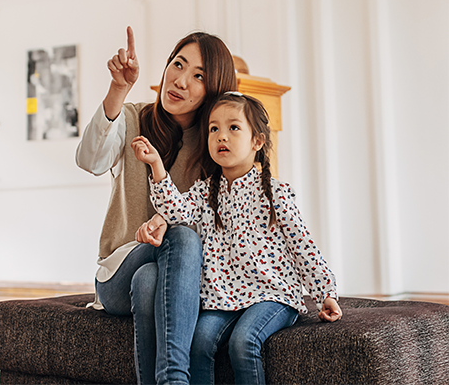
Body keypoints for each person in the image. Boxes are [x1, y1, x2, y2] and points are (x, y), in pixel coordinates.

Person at [132, 92, 342, 385]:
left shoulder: (275, 193)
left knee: (243, 342)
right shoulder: (206, 191)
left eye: (233, 128)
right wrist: (156, 165)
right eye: (214, 129)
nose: (221, 136)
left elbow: (303, 246)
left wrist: (325, 293)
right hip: (222, 297)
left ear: (257, 141)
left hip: (272, 294)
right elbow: (175, 211)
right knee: (199, 342)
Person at [75, 26, 236, 385]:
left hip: (164, 278)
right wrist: (118, 88)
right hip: (118, 274)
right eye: (177, 65)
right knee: (181, 238)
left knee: (150, 282)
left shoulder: (213, 144)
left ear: (213, 90)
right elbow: (90, 159)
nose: (180, 81)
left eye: (198, 77)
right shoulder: (132, 118)